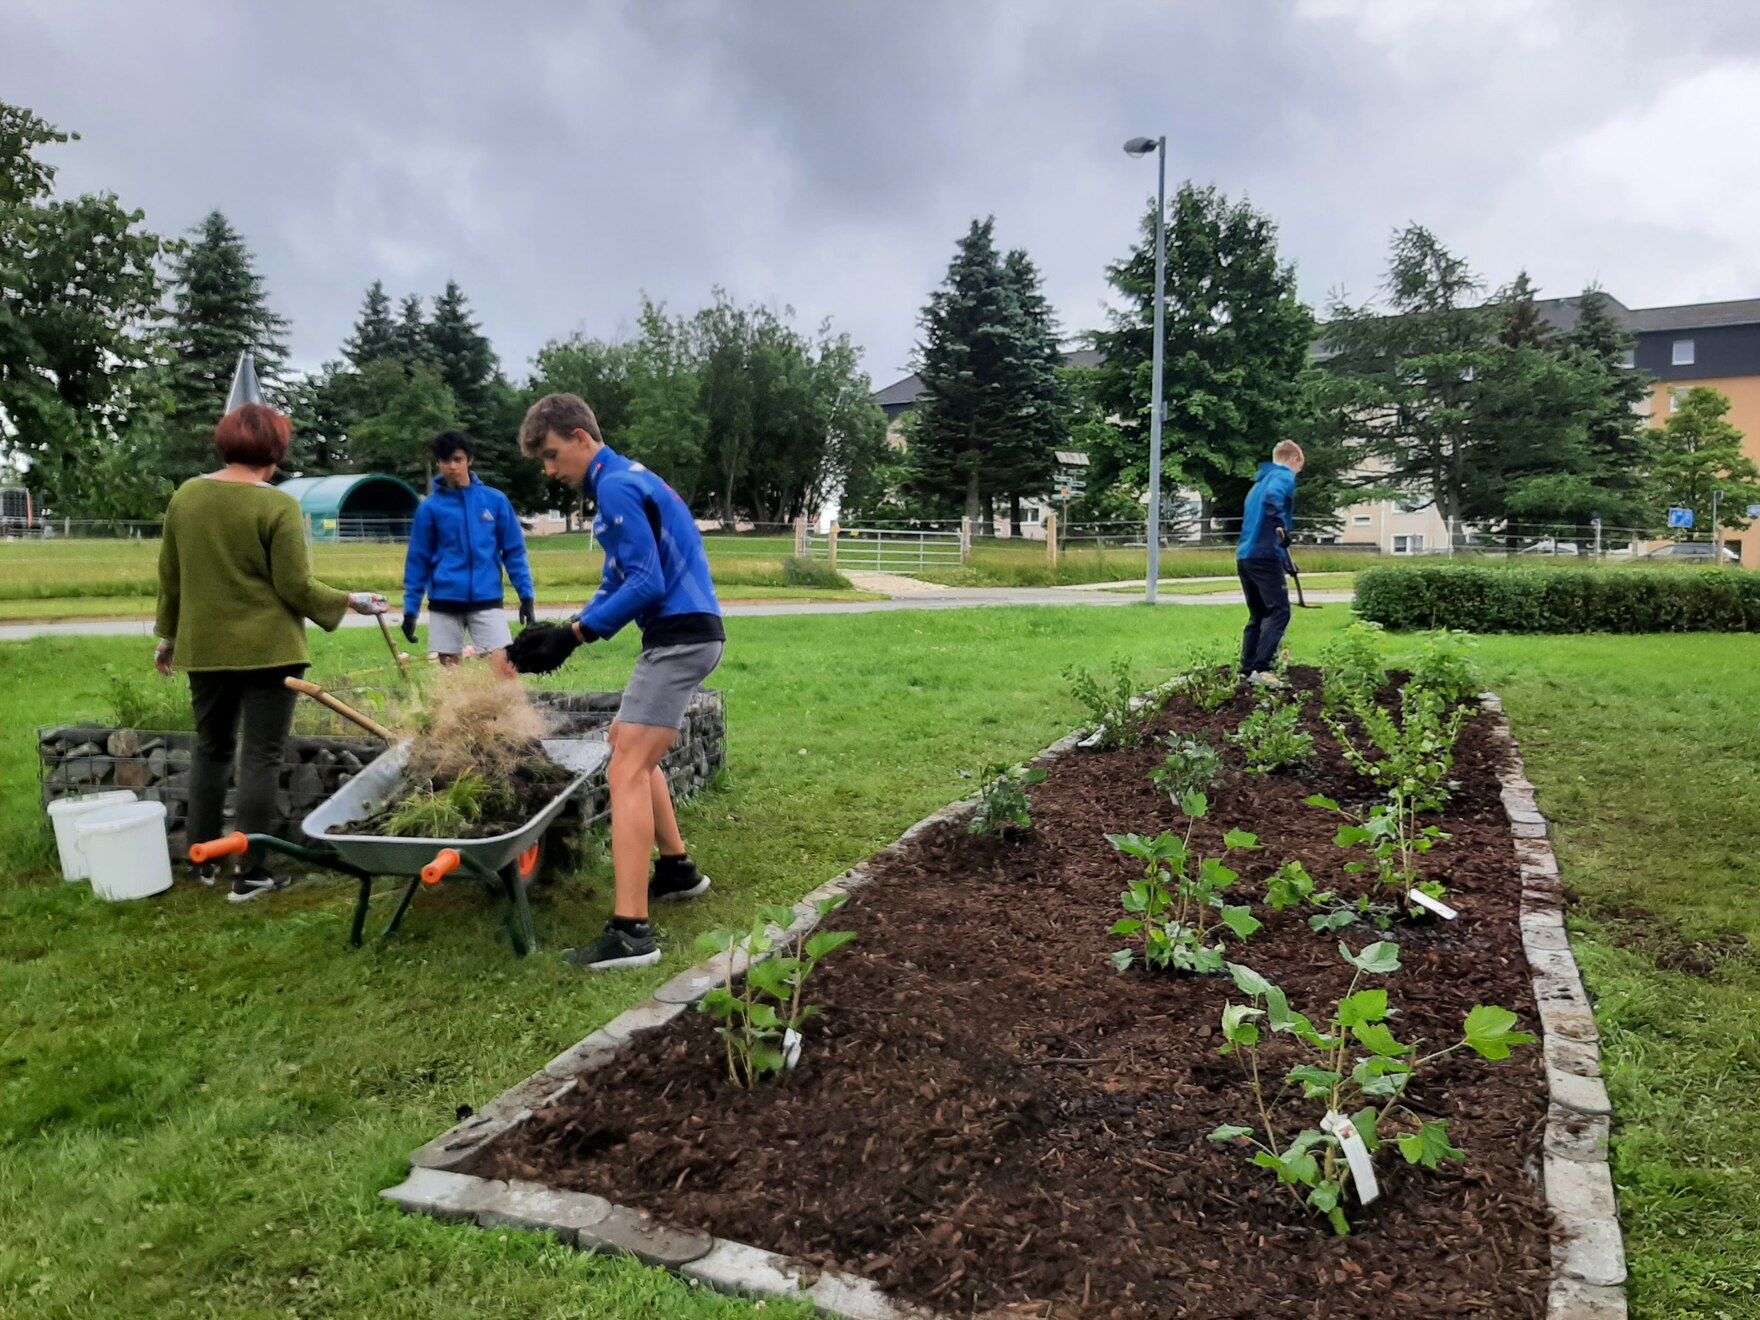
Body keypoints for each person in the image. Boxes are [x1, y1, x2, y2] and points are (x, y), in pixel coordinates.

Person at [502, 393, 723, 971]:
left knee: (625, 769)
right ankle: (676, 870)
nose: (551, 471)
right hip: (686, 632)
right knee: (625, 740)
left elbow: (647, 582)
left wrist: (575, 636)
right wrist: (561, 629)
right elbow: (619, 579)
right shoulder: (624, 480)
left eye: (552, 455)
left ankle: (632, 933)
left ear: (580, 436)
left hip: (679, 636)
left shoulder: (616, 486)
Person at [154, 402, 387, 902]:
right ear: (275, 454)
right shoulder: (277, 505)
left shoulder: (186, 497)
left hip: (205, 648)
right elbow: (293, 584)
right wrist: (349, 600)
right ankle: (251, 873)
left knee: (211, 750)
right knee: (259, 756)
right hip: (270, 650)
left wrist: (168, 637)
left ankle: (203, 861)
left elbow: (172, 577)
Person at [400, 431, 536, 670]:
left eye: (457, 459)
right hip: (445, 601)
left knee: (504, 669)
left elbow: (514, 552)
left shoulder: (495, 501)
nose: (451, 467)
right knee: (452, 677)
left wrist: (526, 595)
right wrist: (411, 610)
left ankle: (508, 709)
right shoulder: (429, 509)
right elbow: (418, 562)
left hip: (487, 599)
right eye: (445, 461)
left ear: (469, 460)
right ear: (438, 463)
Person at [1235, 440, 1305, 687]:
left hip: (1246, 556)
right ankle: (1262, 669)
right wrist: (1282, 527)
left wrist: (1286, 559)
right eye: (1300, 467)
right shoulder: (1282, 476)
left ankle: (1245, 671)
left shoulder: (1256, 485)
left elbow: (1261, 526)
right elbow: (1273, 501)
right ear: (1294, 460)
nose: (1298, 473)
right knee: (1279, 611)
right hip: (1264, 557)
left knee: (1258, 614)